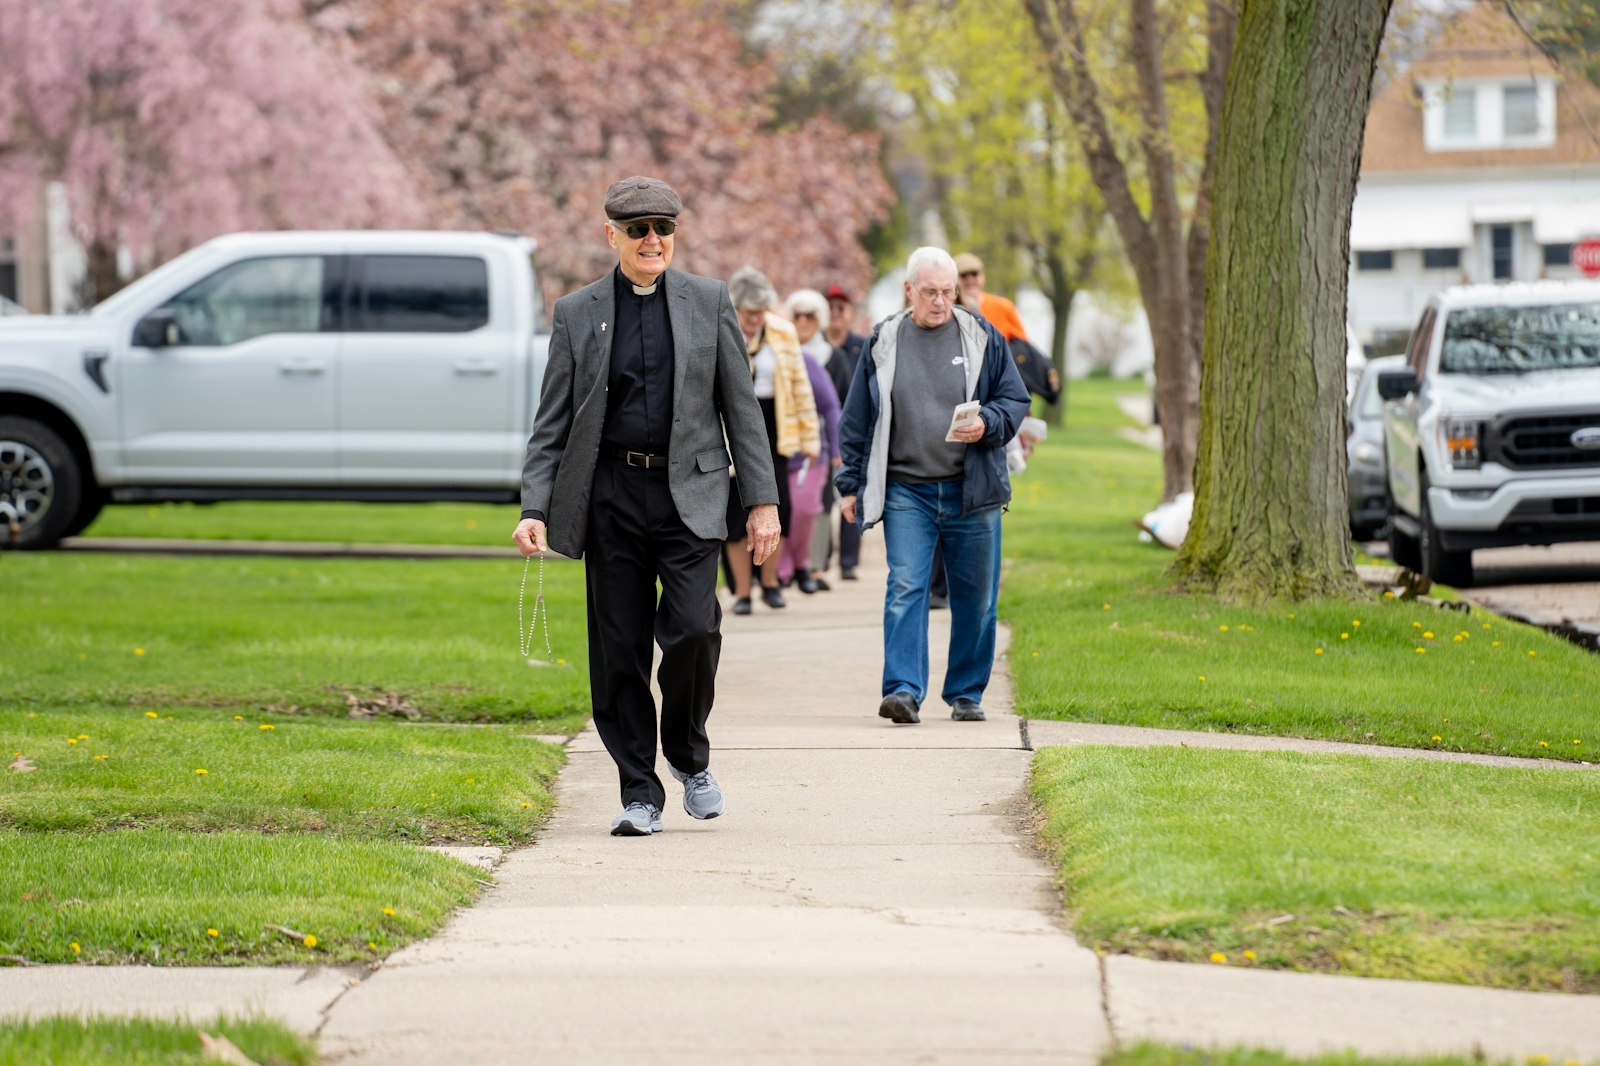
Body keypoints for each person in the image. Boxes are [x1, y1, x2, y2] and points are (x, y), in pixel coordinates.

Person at [514, 176, 781, 837]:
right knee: (620, 652)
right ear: (613, 236)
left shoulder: (708, 302)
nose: (653, 239)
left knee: (695, 630)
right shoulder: (577, 313)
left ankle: (690, 757)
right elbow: (552, 421)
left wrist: (762, 501)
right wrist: (534, 505)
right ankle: (639, 790)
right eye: (638, 230)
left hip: (689, 494)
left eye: (663, 227)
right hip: (609, 499)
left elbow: (741, 410)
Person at [835, 247, 1030, 726]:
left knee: (977, 596)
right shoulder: (884, 340)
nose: (940, 301)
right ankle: (902, 689)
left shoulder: (982, 335)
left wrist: (988, 421)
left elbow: (1015, 397)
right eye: (930, 292)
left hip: (972, 489)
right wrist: (850, 483)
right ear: (909, 291)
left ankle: (966, 691)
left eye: (947, 292)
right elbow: (857, 417)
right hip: (908, 490)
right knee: (905, 585)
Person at [723, 267, 820, 615]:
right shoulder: (723, 328)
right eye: (748, 313)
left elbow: (800, 387)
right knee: (735, 515)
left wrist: (810, 437)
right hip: (731, 427)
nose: (754, 319)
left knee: (776, 507)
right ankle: (742, 592)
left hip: (774, 424)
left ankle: (771, 582)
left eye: (759, 312)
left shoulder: (782, 333)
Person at [780, 288, 842, 594]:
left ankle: (806, 565)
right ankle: (784, 569)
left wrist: (838, 448)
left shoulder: (823, 358)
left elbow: (834, 405)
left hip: (811, 450)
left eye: (810, 315)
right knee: (785, 510)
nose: (803, 321)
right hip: (780, 449)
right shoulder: (775, 354)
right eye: (797, 315)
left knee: (810, 509)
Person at [822, 283, 867, 581]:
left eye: (841, 307)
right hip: (819, 433)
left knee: (852, 492)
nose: (836, 313)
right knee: (820, 499)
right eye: (831, 307)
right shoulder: (815, 345)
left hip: (852, 433)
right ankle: (819, 559)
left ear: (850, 313)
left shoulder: (861, 347)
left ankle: (848, 561)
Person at [954, 252, 1029, 343]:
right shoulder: (948, 310)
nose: (970, 280)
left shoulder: (1004, 306)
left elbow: (1023, 344)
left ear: (983, 276)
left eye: (974, 274)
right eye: (963, 275)